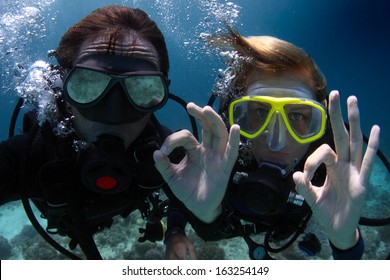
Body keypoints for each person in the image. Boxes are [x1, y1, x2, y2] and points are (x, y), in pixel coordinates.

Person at [154, 26, 381, 259]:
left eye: (296, 116)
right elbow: (187, 204)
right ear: (237, 118)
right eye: (259, 113)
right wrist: (182, 227)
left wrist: (344, 241)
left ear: (318, 122)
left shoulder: (330, 169)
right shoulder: (223, 156)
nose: (276, 141)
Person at [0, 5, 196, 260]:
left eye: (142, 87)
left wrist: (178, 231)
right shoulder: (29, 157)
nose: (113, 113)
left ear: (160, 93)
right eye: (88, 84)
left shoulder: (166, 151)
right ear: (63, 87)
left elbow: (184, 199)